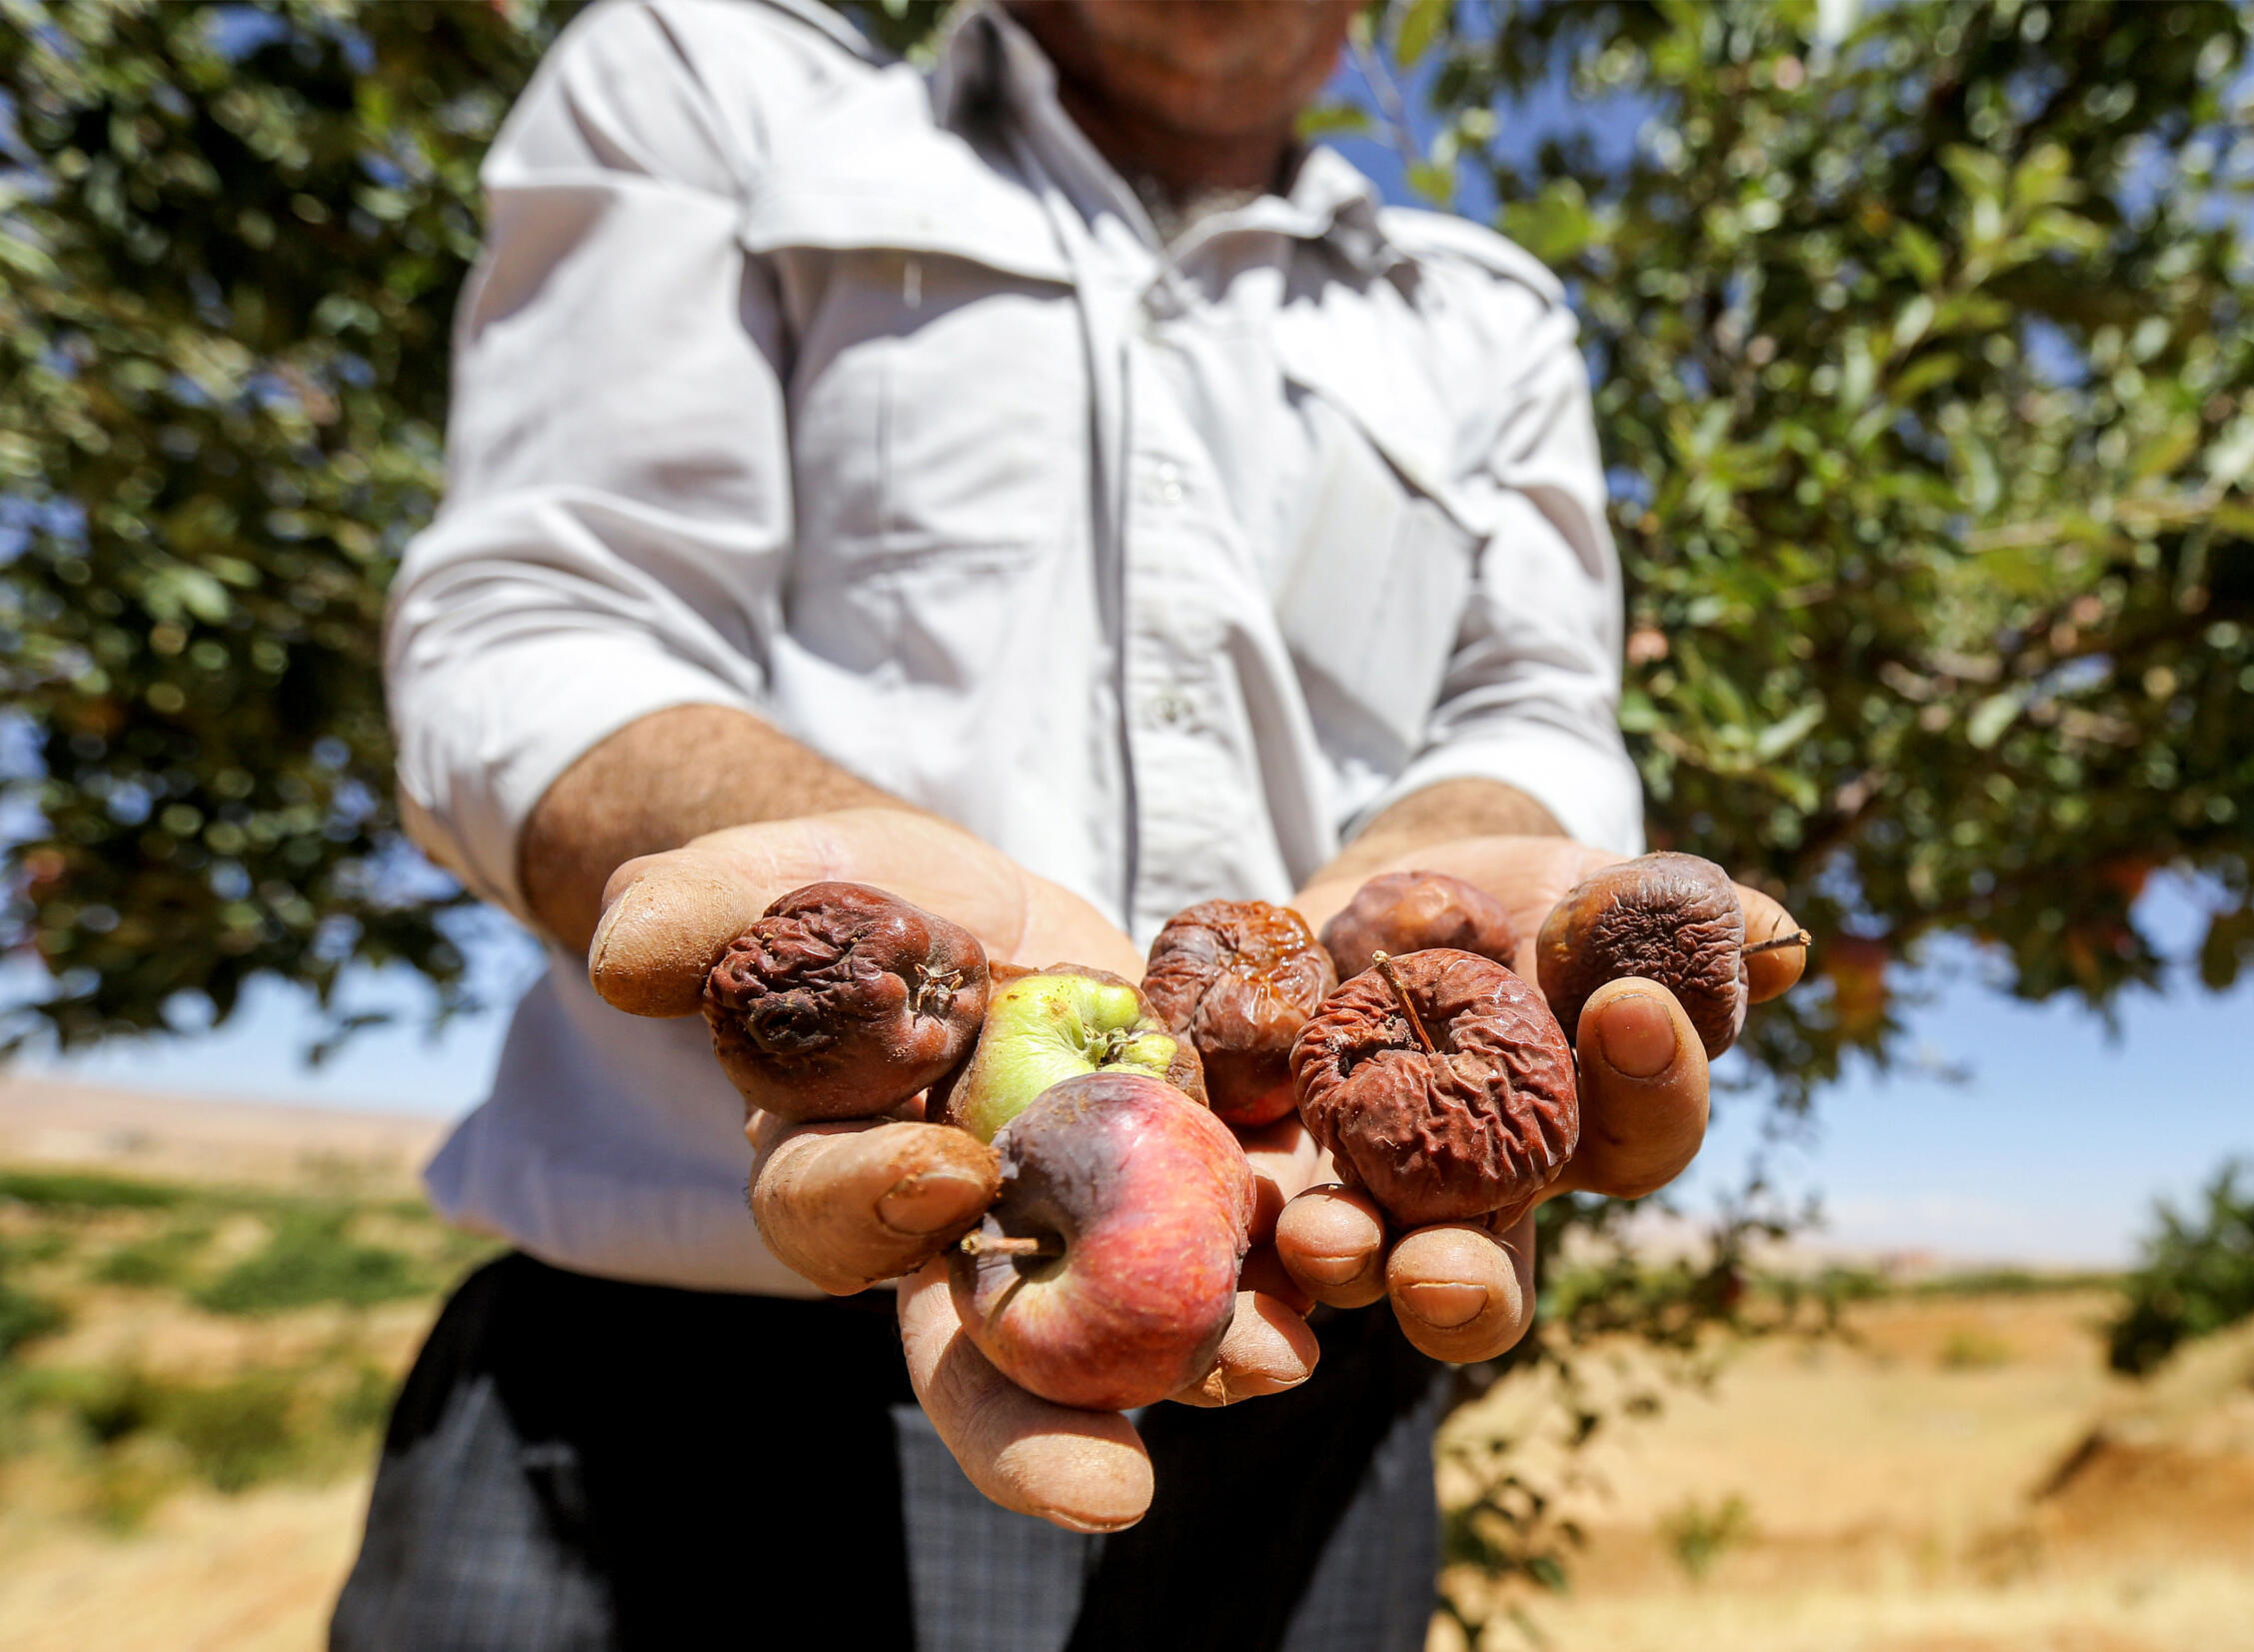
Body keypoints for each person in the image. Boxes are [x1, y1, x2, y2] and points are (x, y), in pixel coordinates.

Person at [335, 1, 1805, 1647]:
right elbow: (534, 623)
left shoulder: (1485, 315)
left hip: (1313, 1376)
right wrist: (844, 897)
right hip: (667, 1408)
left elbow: (1528, 712)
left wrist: (1449, 880)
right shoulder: (717, 83)